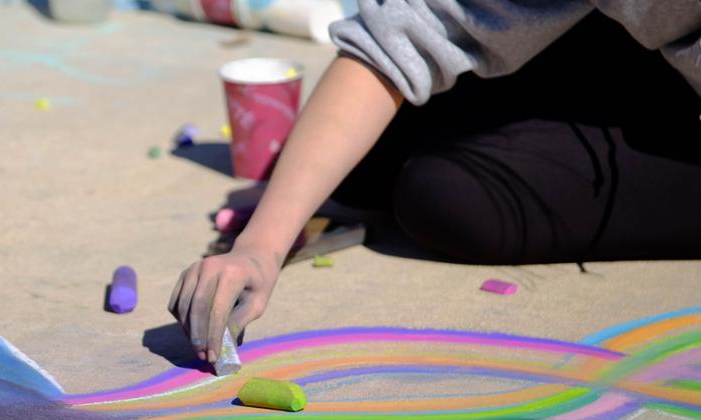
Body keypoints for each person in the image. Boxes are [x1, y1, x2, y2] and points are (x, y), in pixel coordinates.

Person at [169, 1, 701, 365]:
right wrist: (261, 246)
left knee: (449, 197)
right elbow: (401, 35)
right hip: (642, 51)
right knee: (369, 154)